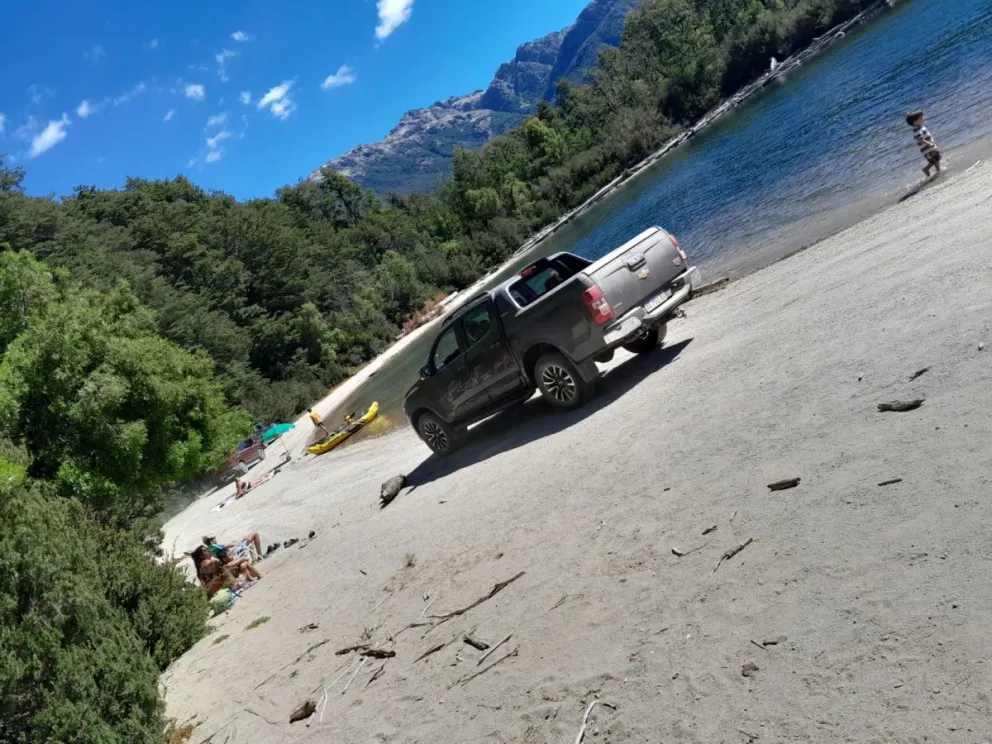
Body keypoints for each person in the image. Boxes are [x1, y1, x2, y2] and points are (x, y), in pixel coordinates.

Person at [906, 110, 942, 178]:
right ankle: (937, 171)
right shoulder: (917, 130)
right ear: (915, 121)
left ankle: (928, 169)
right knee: (936, 159)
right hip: (928, 149)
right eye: (921, 118)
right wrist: (929, 144)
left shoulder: (920, 127)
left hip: (928, 149)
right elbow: (920, 139)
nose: (923, 119)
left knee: (934, 160)